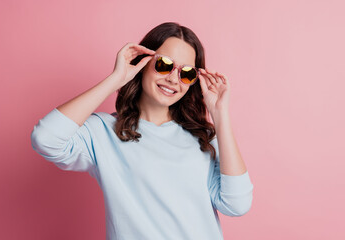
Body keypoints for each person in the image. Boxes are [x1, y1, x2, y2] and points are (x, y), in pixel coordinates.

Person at [31, 22, 254, 240]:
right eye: (164, 64)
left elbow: (237, 204)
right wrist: (116, 79)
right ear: (143, 62)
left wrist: (220, 114)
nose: (173, 79)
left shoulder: (204, 137)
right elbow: (46, 138)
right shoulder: (104, 132)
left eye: (186, 73)